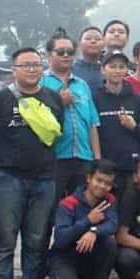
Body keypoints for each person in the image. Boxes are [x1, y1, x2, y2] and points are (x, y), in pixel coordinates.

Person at [0, 46, 65, 279]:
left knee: (37, 238)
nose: (31, 69)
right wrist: (3, 161)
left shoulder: (52, 98)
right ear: (14, 70)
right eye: (25, 65)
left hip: (44, 178)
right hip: (8, 178)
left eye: (36, 64)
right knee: (5, 237)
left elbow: (56, 134)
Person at [48, 159, 118, 279]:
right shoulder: (68, 203)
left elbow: (112, 225)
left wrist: (93, 231)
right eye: (98, 180)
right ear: (88, 178)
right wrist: (87, 221)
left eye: (107, 183)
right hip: (65, 257)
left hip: (89, 256)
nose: (102, 186)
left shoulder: (109, 200)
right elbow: (61, 239)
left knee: (110, 242)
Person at [42, 31, 100, 207]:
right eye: (61, 52)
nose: (66, 55)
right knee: (50, 210)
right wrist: (59, 102)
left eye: (70, 52)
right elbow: (37, 121)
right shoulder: (41, 83)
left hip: (83, 158)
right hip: (55, 158)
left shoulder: (82, 85)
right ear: (49, 55)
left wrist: (97, 160)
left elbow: (92, 124)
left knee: (81, 210)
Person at [93, 52, 140, 199]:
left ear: (127, 70)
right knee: (105, 205)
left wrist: (133, 127)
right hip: (104, 168)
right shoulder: (95, 98)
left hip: (129, 166)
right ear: (103, 70)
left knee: (128, 205)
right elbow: (92, 130)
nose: (117, 70)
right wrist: (97, 160)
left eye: (121, 67)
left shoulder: (136, 99)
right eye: (112, 66)